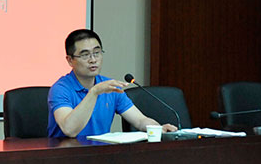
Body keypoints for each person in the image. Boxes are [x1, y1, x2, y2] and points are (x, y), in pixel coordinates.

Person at [48, 28, 178, 138]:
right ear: (70, 60)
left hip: (101, 153)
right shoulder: (60, 89)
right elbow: (70, 129)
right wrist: (94, 92)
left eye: (97, 53)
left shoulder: (110, 86)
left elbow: (139, 120)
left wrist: (158, 128)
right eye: (85, 55)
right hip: (66, 155)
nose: (93, 60)